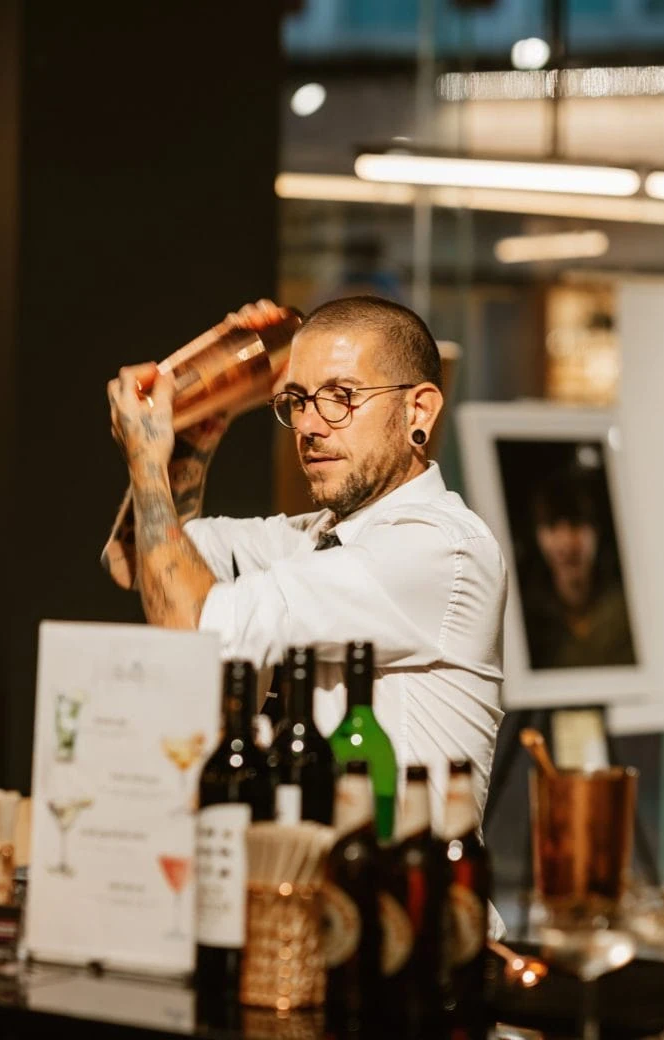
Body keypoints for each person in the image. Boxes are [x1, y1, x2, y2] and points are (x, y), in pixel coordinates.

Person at [107, 295, 507, 843]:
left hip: (411, 908)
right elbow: (141, 560)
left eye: (341, 398)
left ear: (418, 410)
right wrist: (202, 418)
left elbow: (191, 627)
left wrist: (147, 461)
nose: (310, 426)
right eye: (297, 400)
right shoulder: (316, 538)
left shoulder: (438, 547)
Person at [521, 468, 635, 670]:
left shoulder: (629, 610)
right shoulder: (527, 622)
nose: (566, 544)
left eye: (577, 524)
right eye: (552, 526)